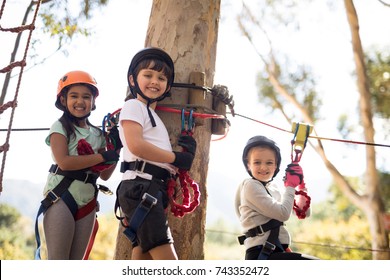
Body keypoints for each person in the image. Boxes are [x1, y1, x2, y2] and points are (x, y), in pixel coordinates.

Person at [115, 47, 196, 260]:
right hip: (141, 185)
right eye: (148, 75)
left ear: (168, 86)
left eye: (161, 78)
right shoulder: (133, 105)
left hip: (150, 187)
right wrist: (177, 158)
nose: (154, 81)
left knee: (142, 253)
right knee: (167, 262)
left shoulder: (152, 115)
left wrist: (181, 157)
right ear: (133, 80)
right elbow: (136, 146)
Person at [39, 70, 120, 259]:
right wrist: (103, 157)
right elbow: (64, 162)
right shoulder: (59, 127)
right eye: (73, 96)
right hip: (61, 197)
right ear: (63, 100)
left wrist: (116, 149)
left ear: (93, 102)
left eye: (86, 97)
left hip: (88, 201)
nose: (80, 101)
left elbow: (105, 175)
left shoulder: (98, 134)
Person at [235, 135, 318, 260]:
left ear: (276, 166)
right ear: (248, 165)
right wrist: (290, 186)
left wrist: (300, 185)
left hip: (276, 249)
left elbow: (304, 212)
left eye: (269, 163)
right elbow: (283, 214)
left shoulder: (273, 188)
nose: (263, 167)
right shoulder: (250, 185)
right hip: (260, 253)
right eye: (257, 162)